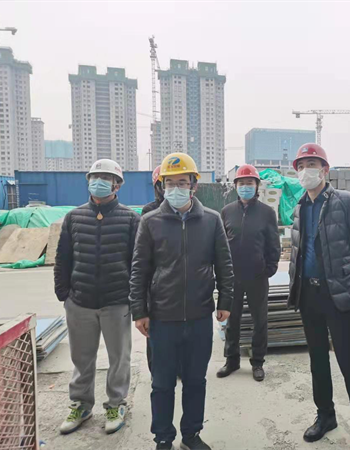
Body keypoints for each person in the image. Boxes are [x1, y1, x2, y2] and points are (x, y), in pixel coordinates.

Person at [129, 153, 233, 450]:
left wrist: (225, 300)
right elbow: (139, 269)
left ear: (193, 185)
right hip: (162, 318)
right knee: (162, 384)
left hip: (199, 316)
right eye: (170, 183)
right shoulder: (150, 222)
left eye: (182, 182)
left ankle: (191, 434)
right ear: (162, 186)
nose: (176, 188)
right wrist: (139, 311)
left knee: (196, 381)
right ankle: (163, 437)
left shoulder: (211, 220)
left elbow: (224, 264)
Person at [287, 143, 350, 450]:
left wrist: (345, 276)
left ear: (325, 170)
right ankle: (325, 415)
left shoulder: (346, 202)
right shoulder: (300, 207)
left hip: (336, 294)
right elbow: (299, 250)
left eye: (311, 165)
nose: (305, 171)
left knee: (349, 360)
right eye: (301, 166)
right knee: (317, 359)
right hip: (308, 294)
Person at [54, 159, 139, 435]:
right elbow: (63, 257)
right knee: (81, 358)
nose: (99, 182)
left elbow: (138, 262)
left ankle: (116, 404)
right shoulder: (74, 217)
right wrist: (64, 294)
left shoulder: (130, 219)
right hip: (80, 301)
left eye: (105, 178)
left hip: (116, 301)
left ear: (117, 185)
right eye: (95, 177)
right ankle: (81, 404)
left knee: (119, 358)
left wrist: (133, 297)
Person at [217, 164, 281, 382]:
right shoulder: (227, 212)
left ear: (257, 186)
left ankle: (258, 362)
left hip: (257, 276)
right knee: (231, 320)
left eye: (249, 183)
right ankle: (232, 360)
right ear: (236, 186)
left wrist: (269, 268)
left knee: (259, 321)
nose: (245, 187)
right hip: (232, 276)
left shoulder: (267, 213)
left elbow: (274, 244)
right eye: (242, 183)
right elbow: (221, 245)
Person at [142, 165, 164, 374]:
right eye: (165, 183)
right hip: (155, 283)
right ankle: (156, 370)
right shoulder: (148, 212)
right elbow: (142, 256)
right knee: (155, 332)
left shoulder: (194, 212)